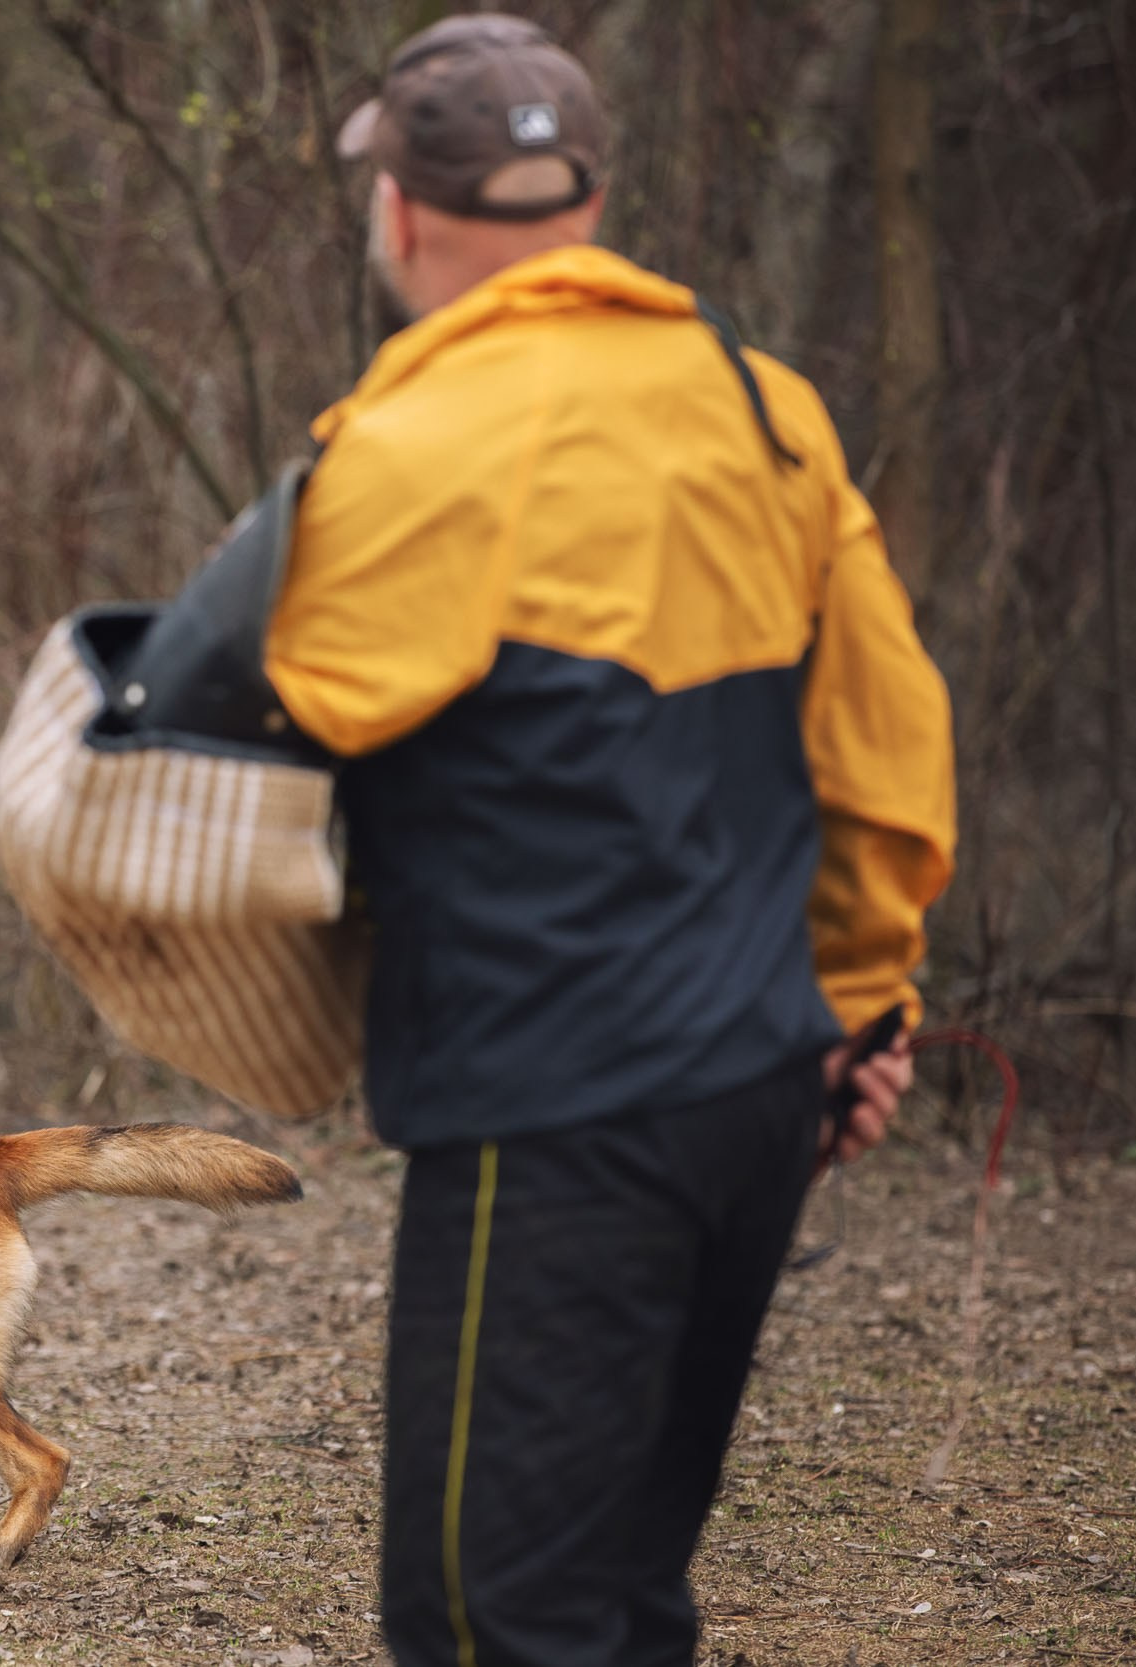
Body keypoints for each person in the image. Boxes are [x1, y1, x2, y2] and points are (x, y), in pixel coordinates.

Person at [262, 17, 955, 1666]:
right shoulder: (760, 404)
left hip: (552, 1111)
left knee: (489, 1623)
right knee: (628, 1601)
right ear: (589, 199)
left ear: (404, 213)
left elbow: (299, 730)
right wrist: (860, 1007)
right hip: (753, 1100)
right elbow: (887, 747)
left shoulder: (417, 440)